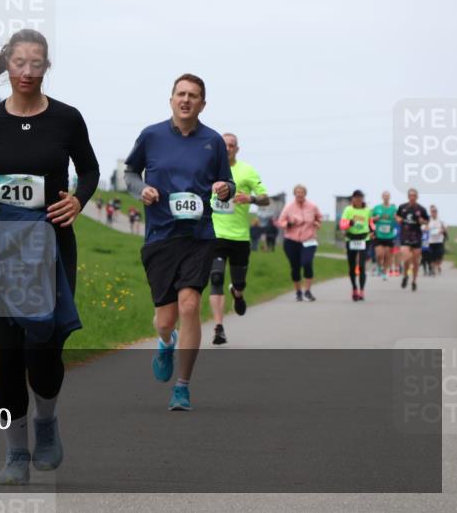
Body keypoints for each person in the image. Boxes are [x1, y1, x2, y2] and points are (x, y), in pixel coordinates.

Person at [0, 30, 99, 485]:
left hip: (52, 244)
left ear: (46, 66)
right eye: (19, 62)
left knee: (44, 349)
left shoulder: (67, 119)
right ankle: (16, 452)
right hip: (0, 245)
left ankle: (47, 422)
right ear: (7, 65)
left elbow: (90, 169)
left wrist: (78, 200)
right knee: (5, 354)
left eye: (36, 63)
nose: (27, 71)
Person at [124, 73, 234, 411]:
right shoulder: (151, 135)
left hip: (199, 235)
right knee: (166, 319)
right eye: (181, 94)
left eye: (193, 95)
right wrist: (140, 189)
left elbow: (226, 184)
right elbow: (129, 172)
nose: (186, 100)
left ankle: (182, 387)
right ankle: (165, 342)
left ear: (203, 103)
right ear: (171, 98)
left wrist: (223, 189)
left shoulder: (213, 141)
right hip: (160, 235)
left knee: (190, 306)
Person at [208, 132, 269, 345]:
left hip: (240, 237)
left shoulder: (246, 171)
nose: (227, 149)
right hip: (215, 234)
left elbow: (266, 199)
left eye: (231, 145)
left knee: (239, 281)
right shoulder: (208, 169)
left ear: (237, 149)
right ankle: (219, 327)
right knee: (215, 278)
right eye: (223, 145)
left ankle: (238, 293)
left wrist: (250, 198)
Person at [277, 185, 323, 301]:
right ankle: (298, 292)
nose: (299, 194)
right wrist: (287, 224)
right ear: (294, 194)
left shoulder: (312, 206)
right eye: (297, 192)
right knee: (295, 267)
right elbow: (280, 221)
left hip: (309, 239)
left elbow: (319, 218)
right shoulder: (289, 207)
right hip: (291, 240)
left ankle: (307, 291)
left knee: (307, 263)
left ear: (305, 194)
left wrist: (317, 223)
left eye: (301, 192)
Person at [339, 190, 373, 301]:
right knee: (352, 266)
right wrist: (349, 223)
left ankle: (362, 291)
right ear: (353, 199)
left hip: (364, 239)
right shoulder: (348, 210)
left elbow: (371, 223)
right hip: (351, 238)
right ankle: (354, 288)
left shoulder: (368, 210)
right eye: (356, 197)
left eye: (360, 197)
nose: (358, 199)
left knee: (362, 266)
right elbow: (342, 224)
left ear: (363, 199)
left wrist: (373, 230)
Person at [397, 188, 430, 292]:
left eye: (414, 196)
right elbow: (397, 216)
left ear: (417, 197)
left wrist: (422, 221)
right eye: (410, 195)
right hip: (405, 235)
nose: (412, 197)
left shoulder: (421, 209)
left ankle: (414, 281)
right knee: (406, 256)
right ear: (408, 196)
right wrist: (398, 219)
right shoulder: (402, 207)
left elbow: (427, 221)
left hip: (416, 236)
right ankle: (405, 276)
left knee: (415, 262)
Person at [372, 191, 397, 280]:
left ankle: (384, 272)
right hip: (379, 235)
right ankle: (379, 267)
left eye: (387, 196)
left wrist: (395, 218)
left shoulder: (394, 209)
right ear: (382, 197)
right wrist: (376, 218)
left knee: (387, 255)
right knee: (379, 254)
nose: (386, 197)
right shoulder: (377, 208)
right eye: (384, 196)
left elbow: (398, 220)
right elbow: (370, 220)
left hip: (389, 236)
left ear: (389, 197)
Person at [427, 205, 449, 276]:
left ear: (437, 212)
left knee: (439, 256)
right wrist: (426, 229)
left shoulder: (441, 220)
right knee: (432, 256)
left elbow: (446, 227)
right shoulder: (429, 220)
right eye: (432, 212)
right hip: (431, 241)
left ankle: (438, 265)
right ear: (430, 212)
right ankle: (433, 269)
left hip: (439, 241)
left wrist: (442, 230)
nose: (433, 213)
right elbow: (424, 227)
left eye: (435, 211)